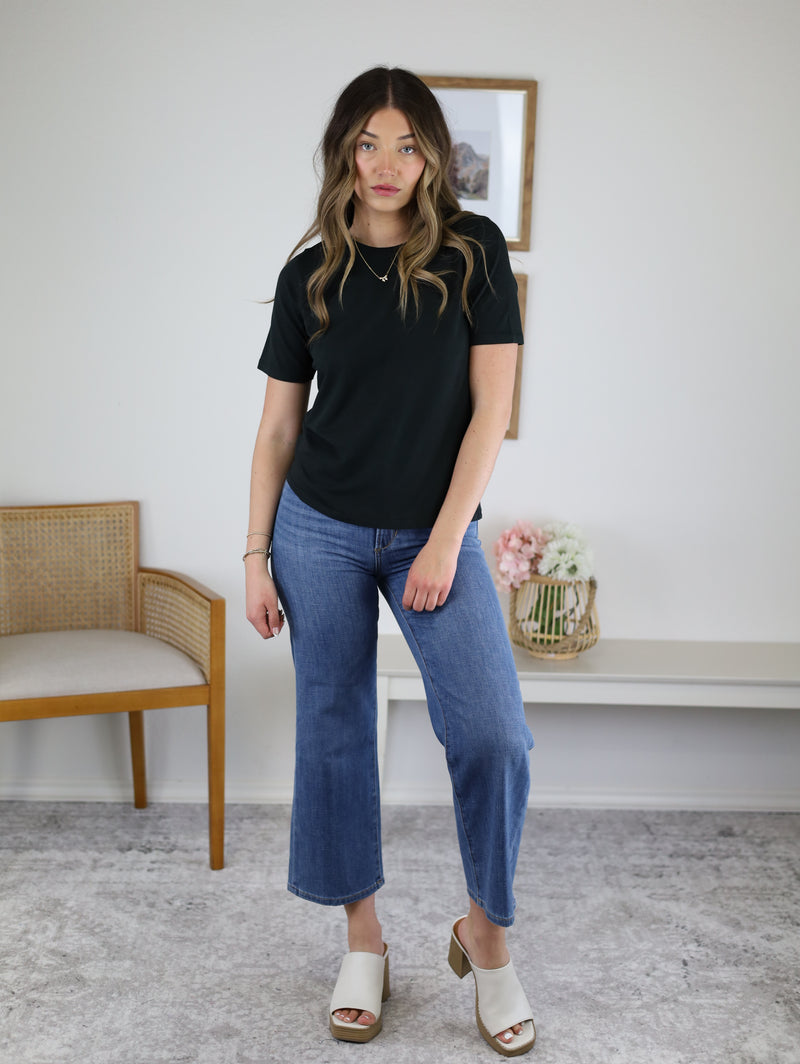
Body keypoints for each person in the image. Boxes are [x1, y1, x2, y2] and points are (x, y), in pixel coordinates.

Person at [245, 66, 535, 1057]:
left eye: (406, 145)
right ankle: (363, 940)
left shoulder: (473, 251)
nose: (385, 164)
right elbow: (278, 429)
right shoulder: (309, 276)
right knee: (334, 728)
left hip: (431, 531)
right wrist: (256, 552)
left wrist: (447, 539)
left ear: (432, 157)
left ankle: (485, 936)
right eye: (367, 143)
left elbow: (491, 411)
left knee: (492, 733)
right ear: (343, 151)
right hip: (316, 527)